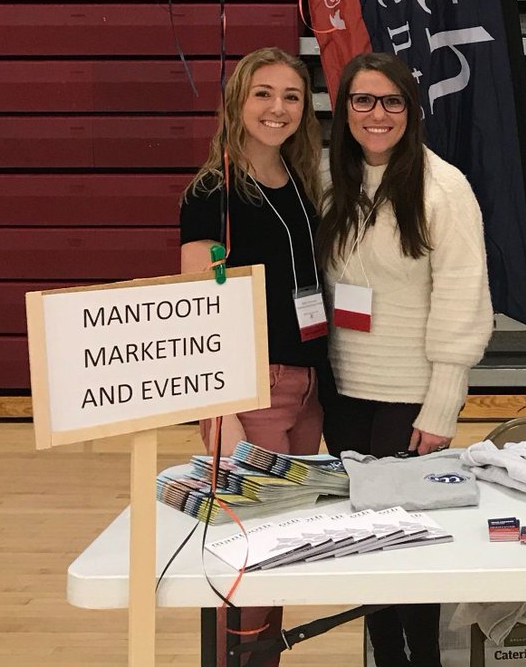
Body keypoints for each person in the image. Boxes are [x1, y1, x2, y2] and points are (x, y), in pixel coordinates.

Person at [317, 51, 493, 667]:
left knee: (407, 546)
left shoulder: (444, 188)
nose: (376, 113)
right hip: (342, 393)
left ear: (411, 112)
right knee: (363, 541)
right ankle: (384, 657)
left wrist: (443, 401)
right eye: (363, 100)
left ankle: (423, 661)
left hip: (410, 398)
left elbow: (463, 300)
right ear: (344, 110)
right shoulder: (327, 177)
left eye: (391, 101)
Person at [180, 46, 326, 667]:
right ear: (238, 100)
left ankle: (263, 655)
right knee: (245, 547)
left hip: (308, 384)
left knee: (282, 540)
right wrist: (222, 411)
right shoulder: (213, 192)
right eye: (263, 93)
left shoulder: (298, 179)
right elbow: (198, 309)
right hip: (254, 386)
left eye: (291, 96)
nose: (277, 108)